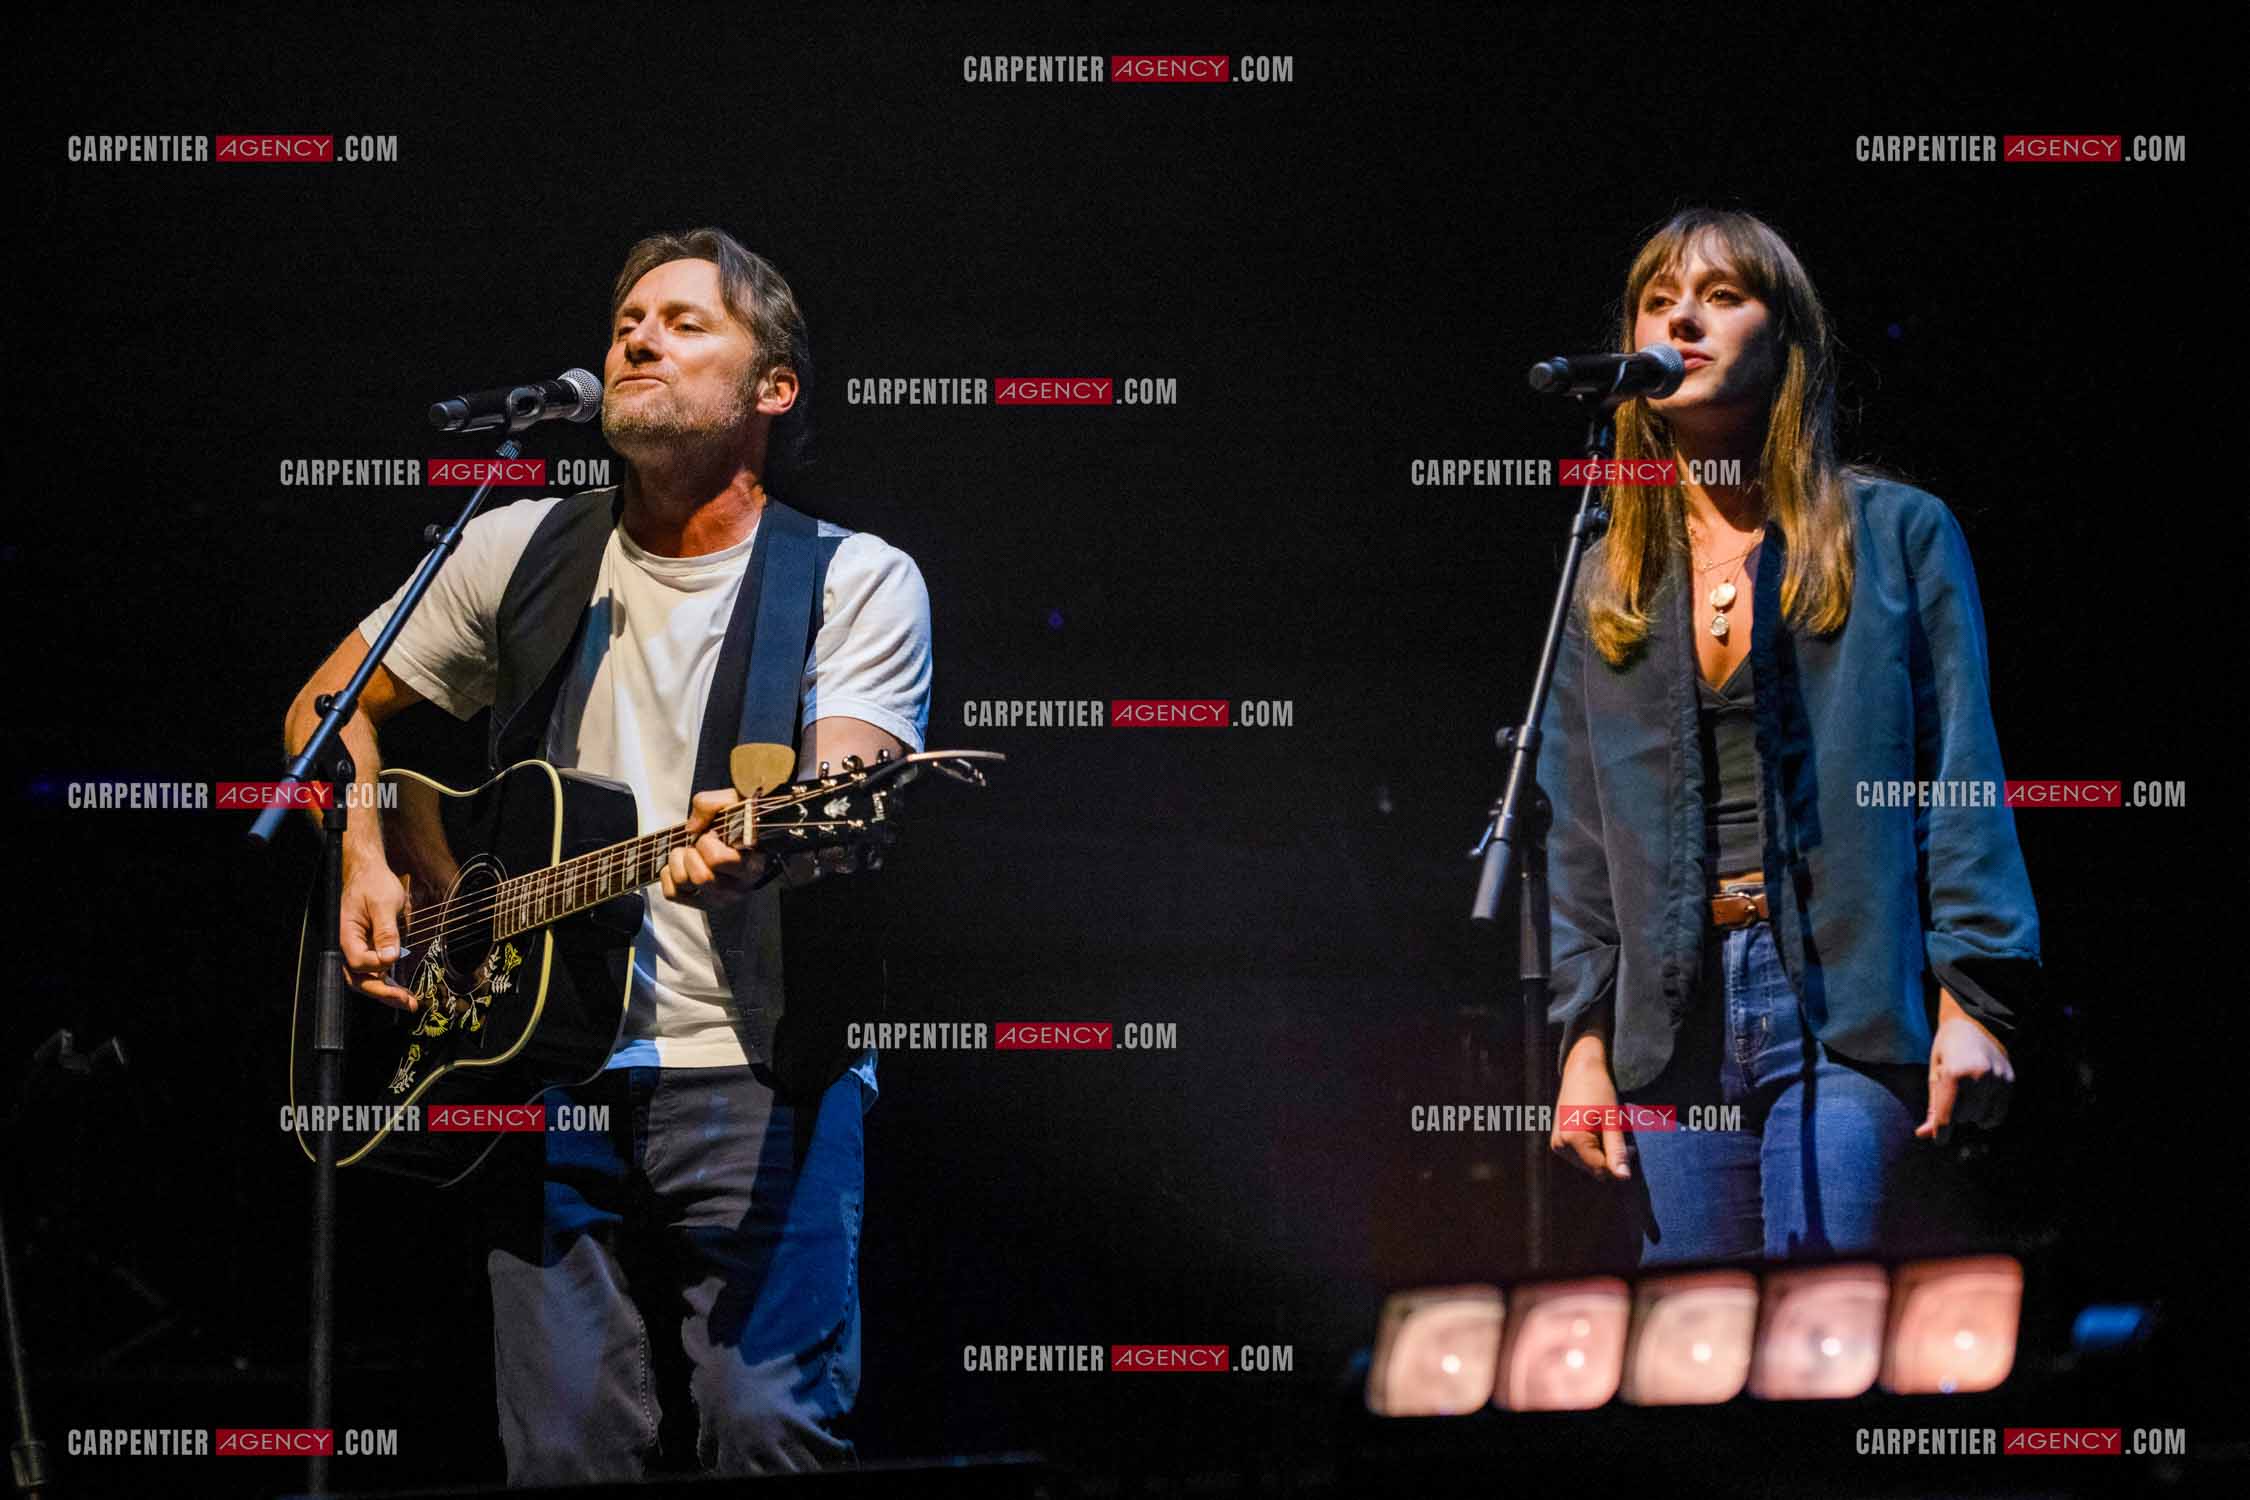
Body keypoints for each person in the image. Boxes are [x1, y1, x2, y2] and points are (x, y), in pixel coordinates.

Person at [282, 227, 931, 1479]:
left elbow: (849, 791)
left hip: (757, 1069)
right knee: (564, 1448)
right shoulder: (512, 544)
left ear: (773, 388)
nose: (640, 336)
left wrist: (766, 845)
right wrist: (364, 848)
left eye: (688, 322)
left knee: (767, 1429)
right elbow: (328, 707)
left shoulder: (856, 577)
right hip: (535, 1064)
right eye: (628, 319)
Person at [1540, 207, 2040, 1266]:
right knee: (1694, 1356)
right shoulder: (1607, 576)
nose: (1683, 317)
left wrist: (1975, 1000)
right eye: (1660, 300)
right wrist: (1582, 1047)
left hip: (1845, 992)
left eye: (1723, 296)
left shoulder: (1898, 533)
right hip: (1668, 1025)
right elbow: (1576, 830)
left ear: (1786, 338)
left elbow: (1961, 774)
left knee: (1827, 1325)